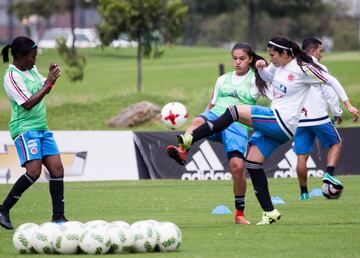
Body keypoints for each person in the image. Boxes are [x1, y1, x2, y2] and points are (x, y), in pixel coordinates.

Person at [166, 36, 359, 225]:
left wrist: (348, 105)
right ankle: (270, 212)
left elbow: (331, 81)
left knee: (233, 111)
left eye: (273, 55)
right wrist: (262, 69)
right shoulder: (277, 67)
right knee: (252, 164)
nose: (270, 58)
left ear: (285, 53)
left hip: (281, 120)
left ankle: (190, 140)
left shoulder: (303, 68)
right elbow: (269, 78)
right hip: (278, 125)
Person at [167, 42, 271, 225]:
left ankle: (239, 214)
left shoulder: (257, 79)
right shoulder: (222, 79)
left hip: (237, 125)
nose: (237, 62)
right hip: (216, 118)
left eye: (242, 59)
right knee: (198, 121)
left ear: (250, 60)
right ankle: (183, 150)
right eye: (234, 59)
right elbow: (211, 105)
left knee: (238, 167)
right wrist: (203, 117)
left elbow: (276, 96)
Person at [0, 36, 66, 230]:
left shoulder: (31, 69)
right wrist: (48, 84)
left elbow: (42, 90)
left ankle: (58, 218)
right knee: (34, 171)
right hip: (24, 128)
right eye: (32, 56)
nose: (34, 60)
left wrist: (50, 78)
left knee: (57, 169)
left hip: (41, 128)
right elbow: (28, 103)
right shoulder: (11, 77)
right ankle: (3, 209)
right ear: (20, 56)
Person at [294, 37, 344, 201]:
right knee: (336, 142)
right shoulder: (318, 67)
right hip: (319, 117)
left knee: (302, 157)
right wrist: (337, 112)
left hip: (299, 120)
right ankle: (328, 174)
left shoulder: (293, 68)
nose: (321, 54)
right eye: (320, 51)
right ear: (312, 51)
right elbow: (330, 92)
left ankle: (303, 193)